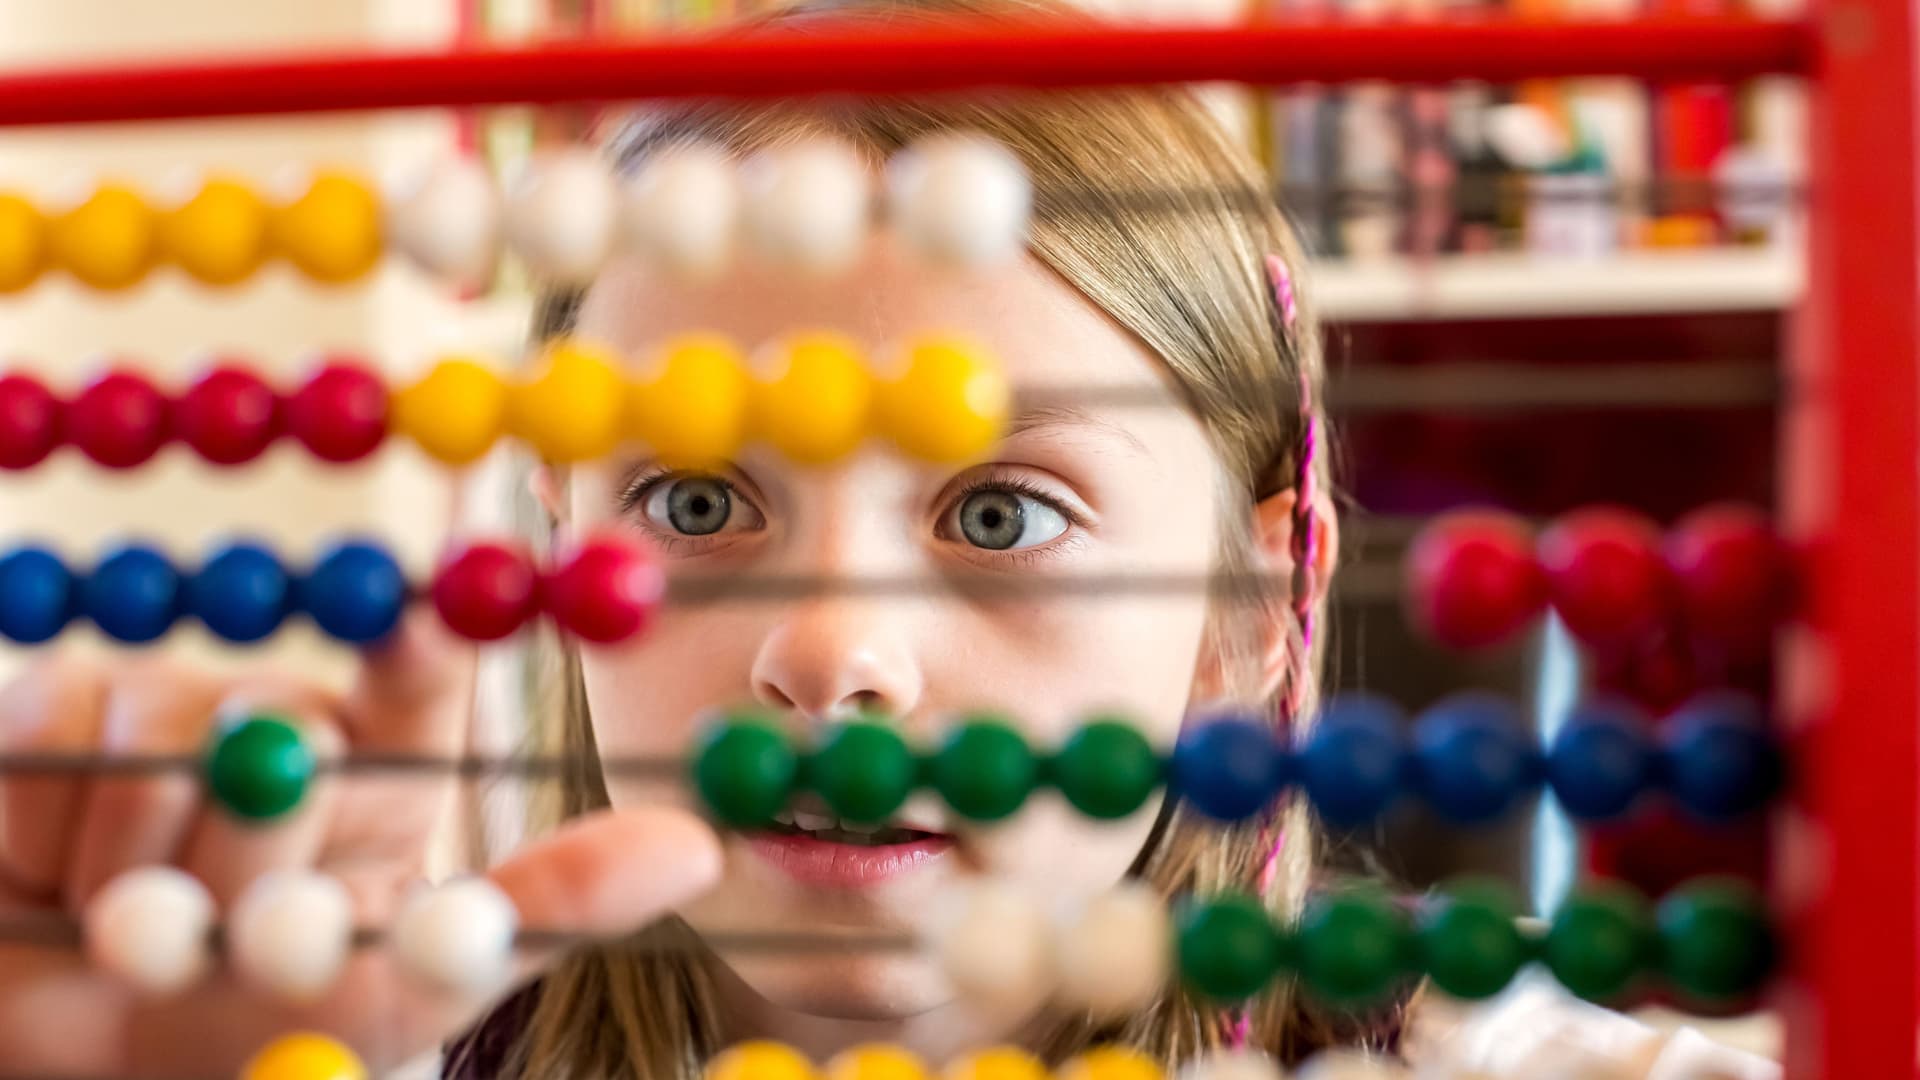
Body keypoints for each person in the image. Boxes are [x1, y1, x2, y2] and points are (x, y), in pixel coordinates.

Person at [0, 0, 1779, 1076]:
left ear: (1252, 609)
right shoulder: (311, 1051)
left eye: (1003, 512)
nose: (829, 645)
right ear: (552, 548)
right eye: (695, 503)